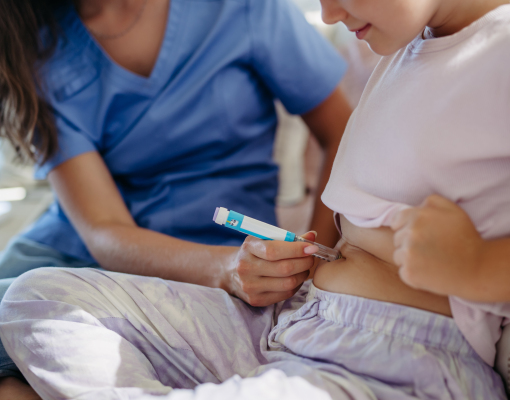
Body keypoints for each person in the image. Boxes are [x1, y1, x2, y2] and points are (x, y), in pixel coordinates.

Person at [3, 0, 510, 398]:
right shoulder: (406, 52)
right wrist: (291, 258)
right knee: (35, 297)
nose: (328, 11)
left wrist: (480, 269)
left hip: (398, 361)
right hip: (291, 321)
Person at [0, 0, 351, 395]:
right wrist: (227, 269)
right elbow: (104, 230)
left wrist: (309, 264)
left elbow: (342, 132)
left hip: (216, 268)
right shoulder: (32, 44)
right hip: (79, 253)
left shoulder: (242, 7)